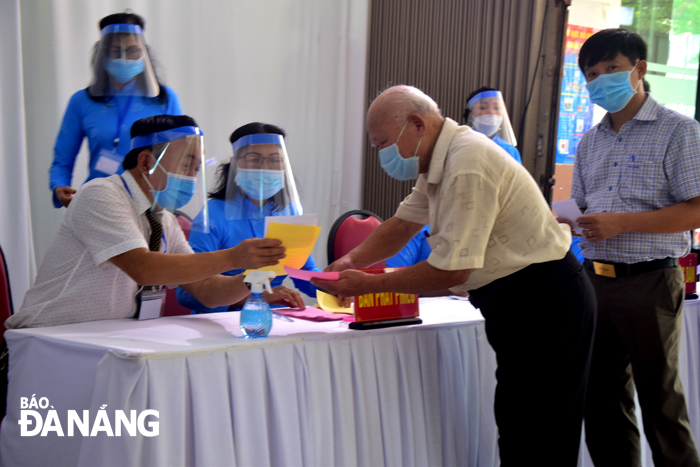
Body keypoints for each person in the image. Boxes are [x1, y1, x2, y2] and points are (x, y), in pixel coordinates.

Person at [312, 85, 596, 465]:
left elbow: (452, 267)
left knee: (539, 435)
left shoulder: (467, 161)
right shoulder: (440, 159)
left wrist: (370, 285)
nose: (383, 155)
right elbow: (402, 223)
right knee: (518, 428)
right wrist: (352, 261)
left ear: (416, 124)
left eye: (382, 144)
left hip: (543, 299)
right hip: (518, 300)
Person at [6, 115, 285, 330]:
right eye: (186, 165)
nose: (192, 176)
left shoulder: (164, 219)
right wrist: (234, 256)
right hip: (50, 336)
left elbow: (207, 291)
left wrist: (254, 276)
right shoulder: (101, 194)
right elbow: (144, 268)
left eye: (197, 169)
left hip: (107, 338)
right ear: (145, 162)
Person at [572, 28, 700, 466]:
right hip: (594, 282)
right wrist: (571, 222)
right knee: (601, 401)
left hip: (650, 281)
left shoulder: (679, 131)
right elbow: (587, 210)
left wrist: (619, 223)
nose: (600, 79)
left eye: (611, 68)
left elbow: (695, 211)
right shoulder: (589, 142)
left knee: (661, 401)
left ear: (639, 69)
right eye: (592, 73)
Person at [177, 122, 321, 312]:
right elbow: (187, 293)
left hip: (274, 319)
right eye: (254, 159)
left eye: (275, 160)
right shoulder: (213, 214)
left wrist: (332, 286)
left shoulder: (288, 211)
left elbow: (304, 271)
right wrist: (255, 296)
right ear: (235, 165)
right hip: (219, 323)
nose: (265, 167)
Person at [50, 11, 182, 208]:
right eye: (115, 51)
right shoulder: (82, 101)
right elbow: (62, 159)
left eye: (133, 50)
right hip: (97, 202)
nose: (124, 58)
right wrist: (59, 187)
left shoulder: (164, 99)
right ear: (102, 54)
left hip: (150, 204)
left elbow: (180, 155)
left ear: (144, 54)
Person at [463, 87, 521, 163]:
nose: (491, 112)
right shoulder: (461, 145)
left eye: (496, 108)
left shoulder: (509, 150)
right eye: (483, 107)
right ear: (470, 116)